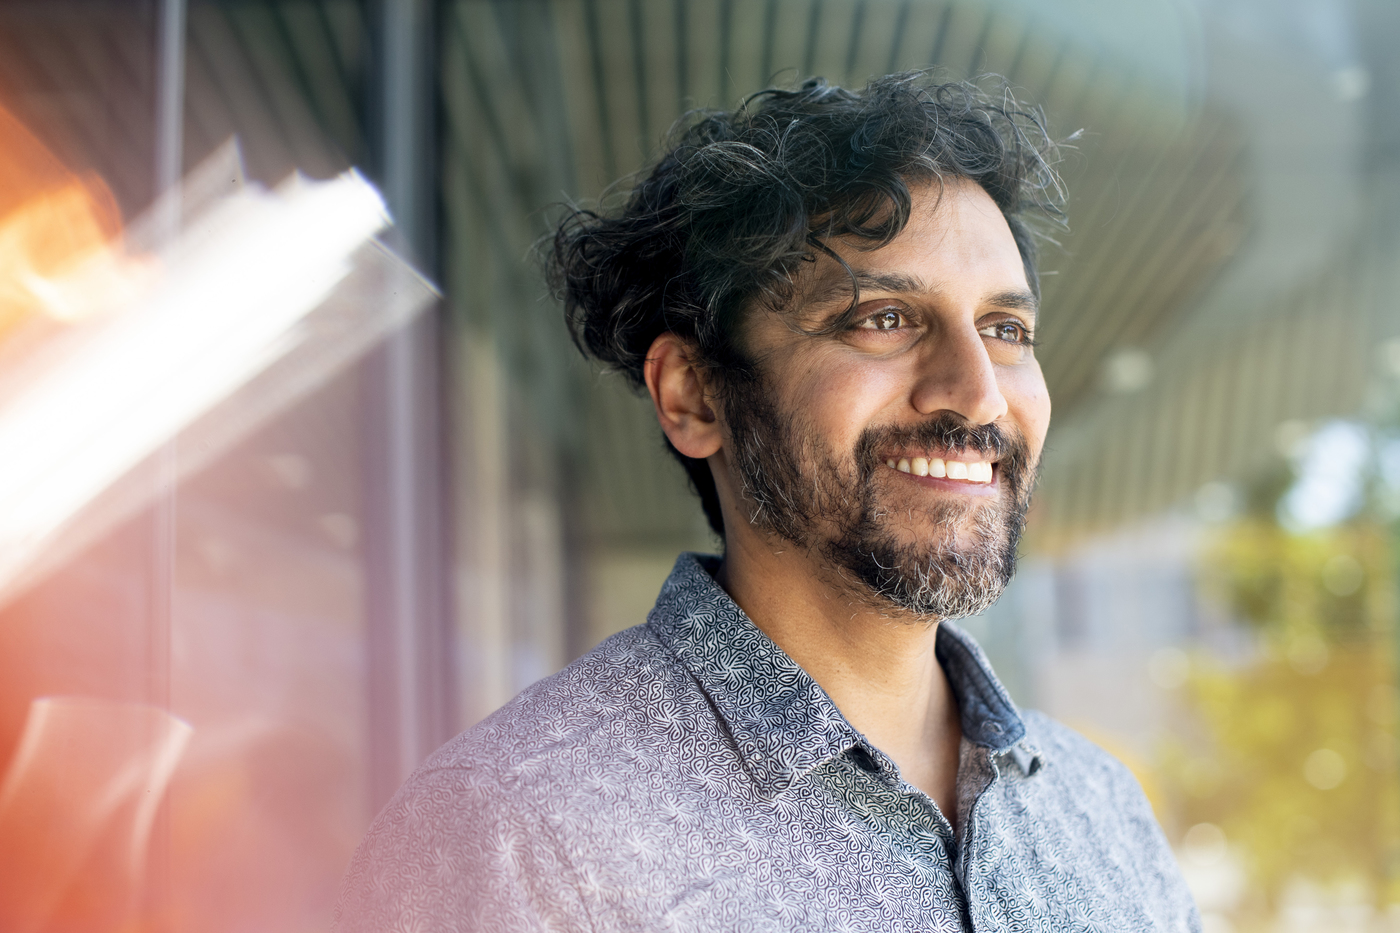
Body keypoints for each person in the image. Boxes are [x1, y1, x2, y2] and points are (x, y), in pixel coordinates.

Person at [333, 72, 1200, 932]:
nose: (977, 394)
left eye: (1006, 331)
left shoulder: (1101, 810)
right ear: (695, 395)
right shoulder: (516, 835)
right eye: (886, 319)